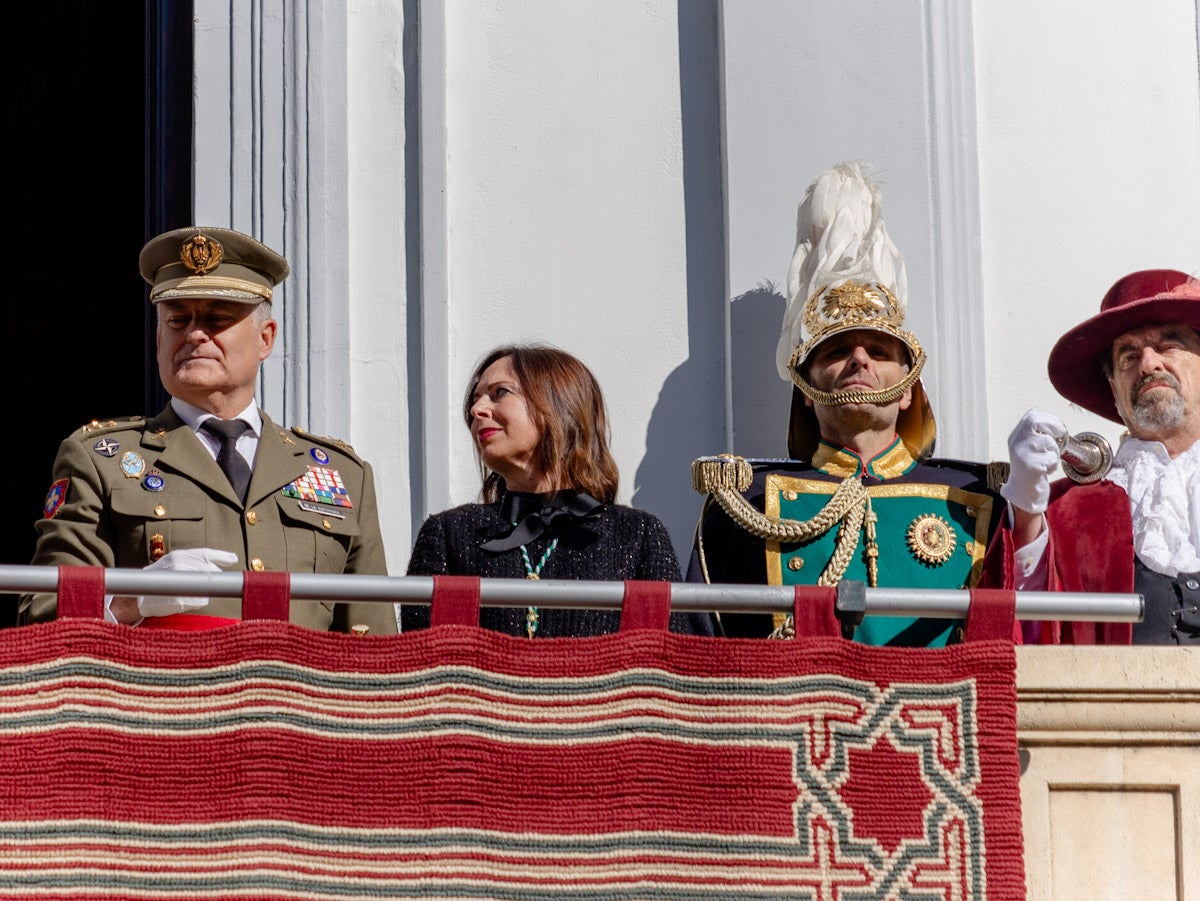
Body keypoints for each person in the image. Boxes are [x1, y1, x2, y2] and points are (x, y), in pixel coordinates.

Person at [687, 161, 1005, 645]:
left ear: (907, 391)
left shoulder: (979, 499)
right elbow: (704, 651)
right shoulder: (741, 503)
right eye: (836, 352)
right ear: (807, 392)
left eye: (879, 352)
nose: (859, 360)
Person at [19, 226, 396, 635]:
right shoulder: (99, 460)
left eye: (217, 319)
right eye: (178, 319)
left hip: (300, 697)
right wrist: (131, 601)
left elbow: (373, 641)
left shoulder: (344, 476)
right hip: (162, 695)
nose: (195, 334)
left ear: (265, 339)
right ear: (160, 336)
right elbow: (41, 613)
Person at [403, 344, 711, 638]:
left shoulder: (638, 535)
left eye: (499, 393)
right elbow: (423, 667)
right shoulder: (448, 534)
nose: (477, 409)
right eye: (476, 398)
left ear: (556, 405)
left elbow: (668, 666)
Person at [993, 268, 1200, 645]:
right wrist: (1025, 512)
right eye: (1128, 356)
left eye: (1169, 345)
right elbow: (1028, 631)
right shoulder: (1070, 511)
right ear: (1115, 391)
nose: (1148, 363)